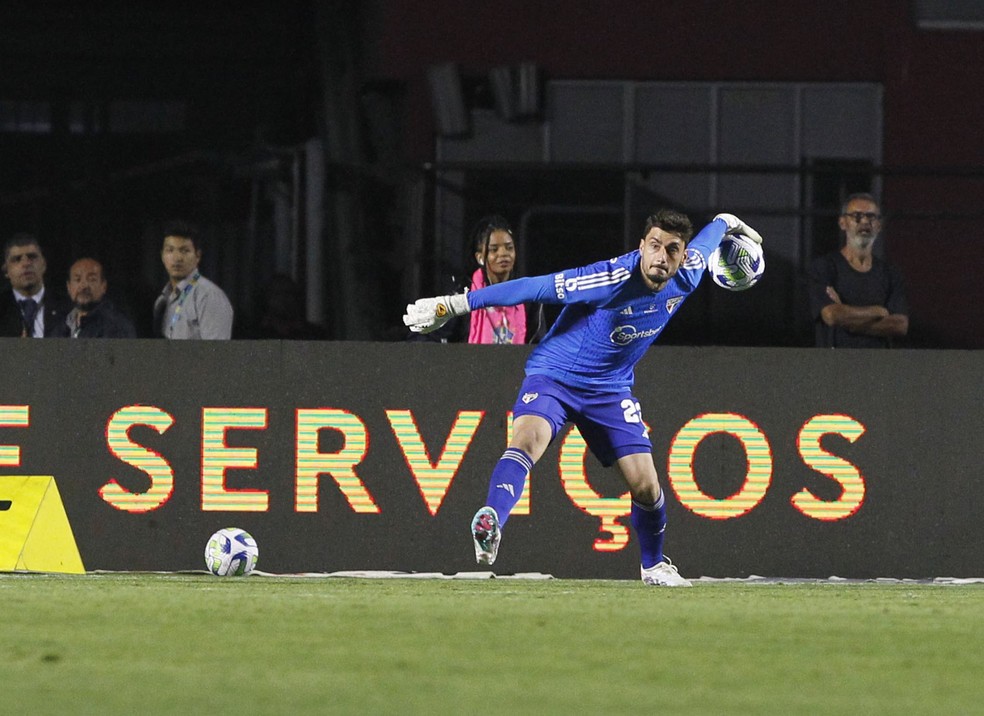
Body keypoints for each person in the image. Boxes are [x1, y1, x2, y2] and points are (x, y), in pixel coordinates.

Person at [404, 209, 763, 586]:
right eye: (655, 246)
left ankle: (654, 566)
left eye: (672, 250)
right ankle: (491, 521)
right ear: (642, 246)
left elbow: (717, 227)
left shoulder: (690, 270)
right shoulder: (609, 278)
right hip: (555, 376)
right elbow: (533, 287)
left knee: (647, 486)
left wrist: (732, 223)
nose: (662, 256)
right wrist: (451, 306)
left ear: (683, 255)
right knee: (526, 442)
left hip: (610, 390)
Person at [808, 193, 909, 348]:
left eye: (871, 217)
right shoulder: (824, 267)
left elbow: (900, 325)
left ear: (879, 225)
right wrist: (878, 312)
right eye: (857, 216)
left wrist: (848, 321)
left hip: (878, 363)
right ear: (842, 223)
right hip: (835, 362)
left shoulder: (890, 274)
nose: (864, 222)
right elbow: (831, 315)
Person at [466, 216, 544, 344]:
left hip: (518, 358)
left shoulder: (529, 296)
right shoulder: (465, 295)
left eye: (509, 248)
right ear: (480, 258)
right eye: (494, 249)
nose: (503, 254)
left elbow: (539, 343)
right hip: (471, 358)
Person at [152, 221, 234, 339]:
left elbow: (217, 349)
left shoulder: (208, 296)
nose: (177, 258)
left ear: (198, 256)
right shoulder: (161, 301)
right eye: (170, 250)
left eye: (185, 251)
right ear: (162, 256)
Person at [0, 233, 69, 338]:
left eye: (32, 257)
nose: (26, 263)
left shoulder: (68, 306)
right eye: (17, 259)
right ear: (6, 271)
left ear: (44, 264)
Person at [52, 257, 136, 338]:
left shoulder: (117, 326)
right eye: (77, 279)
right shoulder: (60, 325)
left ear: (103, 286)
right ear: (68, 287)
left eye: (92, 279)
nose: (83, 286)